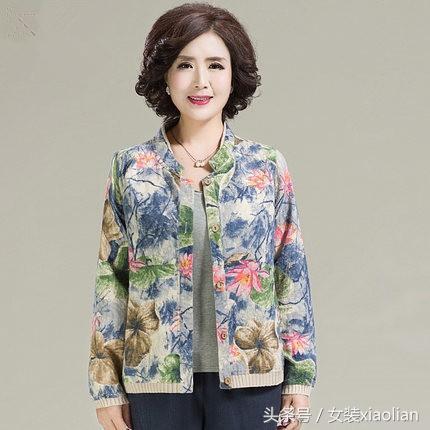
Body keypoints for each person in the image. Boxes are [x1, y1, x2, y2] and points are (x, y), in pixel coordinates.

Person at [88, 3, 317, 429]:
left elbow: (291, 272)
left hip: (253, 378)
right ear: (165, 75)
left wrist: (299, 379)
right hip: (154, 380)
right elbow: (111, 281)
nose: (200, 81)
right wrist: (106, 387)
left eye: (215, 65)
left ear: (234, 75)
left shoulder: (265, 166)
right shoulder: (131, 168)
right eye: (184, 65)